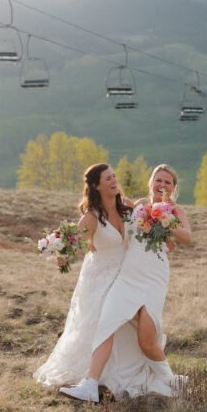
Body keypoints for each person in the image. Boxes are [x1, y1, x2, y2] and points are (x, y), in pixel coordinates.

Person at [60, 164, 191, 402]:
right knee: (106, 323)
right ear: (151, 182)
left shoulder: (175, 210)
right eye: (158, 180)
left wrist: (166, 219)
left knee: (146, 340)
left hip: (154, 277)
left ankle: (171, 382)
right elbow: (109, 223)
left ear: (173, 187)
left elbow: (187, 237)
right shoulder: (136, 205)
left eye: (168, 182)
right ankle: (90, 385)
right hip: (128, 275)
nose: (162, 185)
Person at [33, 163, 132, 389]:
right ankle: (94, 375)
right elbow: (71, 244)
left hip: (126, 273)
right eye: (108, 179)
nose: (114, 181)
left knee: (124, 322)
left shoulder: (126, 207)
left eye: (114, 176)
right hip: (100, 276)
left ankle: (123, 369)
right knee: (100, 322)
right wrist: (62, 257)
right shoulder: (91, 217)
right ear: (96, 186)